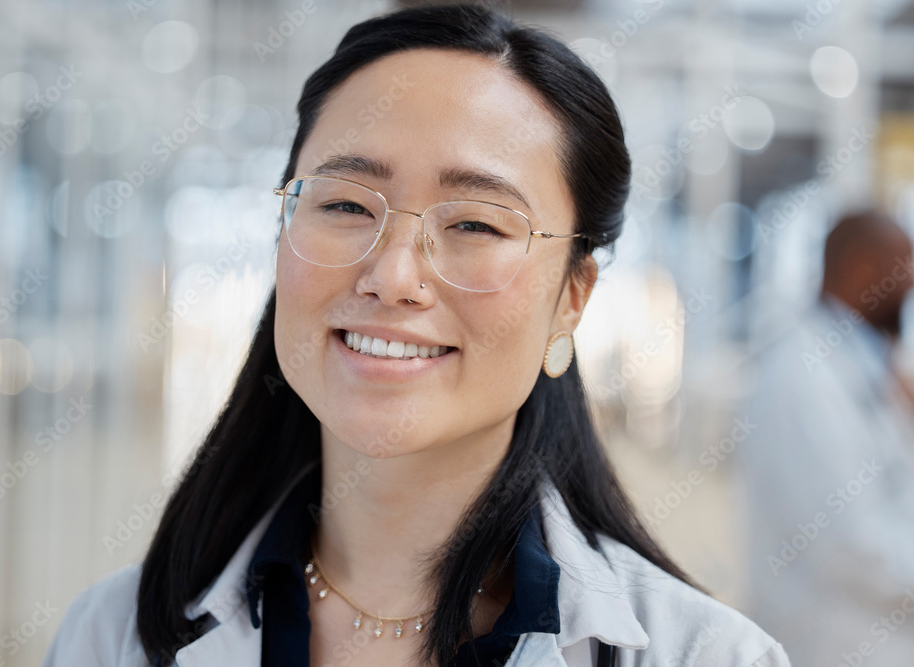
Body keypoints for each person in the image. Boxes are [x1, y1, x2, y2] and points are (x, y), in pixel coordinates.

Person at [42, 4, 789, 666]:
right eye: (344, 206)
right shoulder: (113, 637)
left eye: (474, 223)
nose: (392, 275)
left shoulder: (709, 655)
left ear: (571, 296)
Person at [737, 210, 914, 666]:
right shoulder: (801, 378)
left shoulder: (862, 367)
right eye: (903, 265)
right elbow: (855, 546)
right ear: (861, 270)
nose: (911, 283)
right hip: (833, 644)